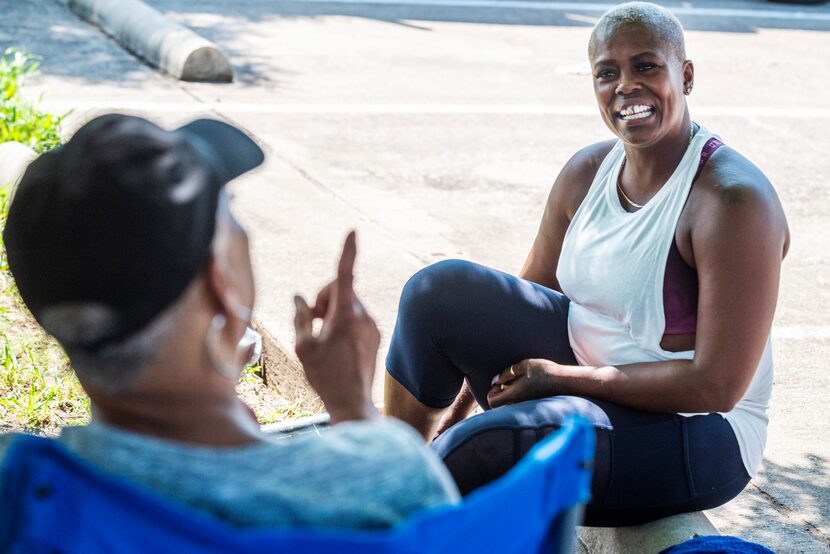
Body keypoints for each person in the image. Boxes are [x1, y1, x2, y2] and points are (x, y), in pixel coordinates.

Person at [383, 1, 789, 526]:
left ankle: (393, 526)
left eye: (646, 66)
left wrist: (565, 380)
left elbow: (717, 386)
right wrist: (460, 400)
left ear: (684, 76)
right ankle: (388, 473)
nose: (626, 86)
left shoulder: (732, 201)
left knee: (484, 449)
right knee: (437, 292)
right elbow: (524, 293)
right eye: (607, 73)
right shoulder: (588, 171)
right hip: (580, 371)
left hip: (700, 431)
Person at [1, 113, 459, 529]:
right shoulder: (385, 486)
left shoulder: (17, 495)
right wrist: (355, 409)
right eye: (230, 208)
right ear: (222, 284)